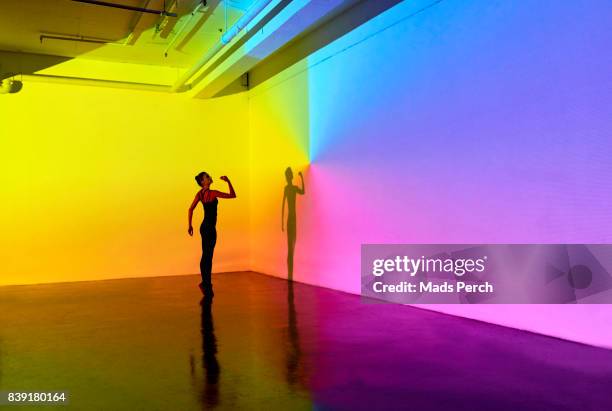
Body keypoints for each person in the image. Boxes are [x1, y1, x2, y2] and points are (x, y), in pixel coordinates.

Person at [188, 172, 236, 297]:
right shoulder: (213, 193)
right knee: (208, 257)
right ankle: (206, 284)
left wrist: (190, 225)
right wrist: (228, 181)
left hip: (204, 227)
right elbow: (232, 195)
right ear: (203, 182)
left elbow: (190, 209)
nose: (209, 178)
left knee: (206, 256)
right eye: (207, 177)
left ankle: (205, 283)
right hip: (209, 228)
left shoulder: (200, 194)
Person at [282, 167, 305, 280]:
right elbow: (283, 205)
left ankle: (290, 272)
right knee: (290, 245)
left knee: (292, 245)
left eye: (288, 175)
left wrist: (301, 178)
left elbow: (303, 192)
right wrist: (282, 222)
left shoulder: (291, 188)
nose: (288, 177)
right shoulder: (287, 189)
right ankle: (289, 273)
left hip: (293, 219)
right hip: (291, 219)